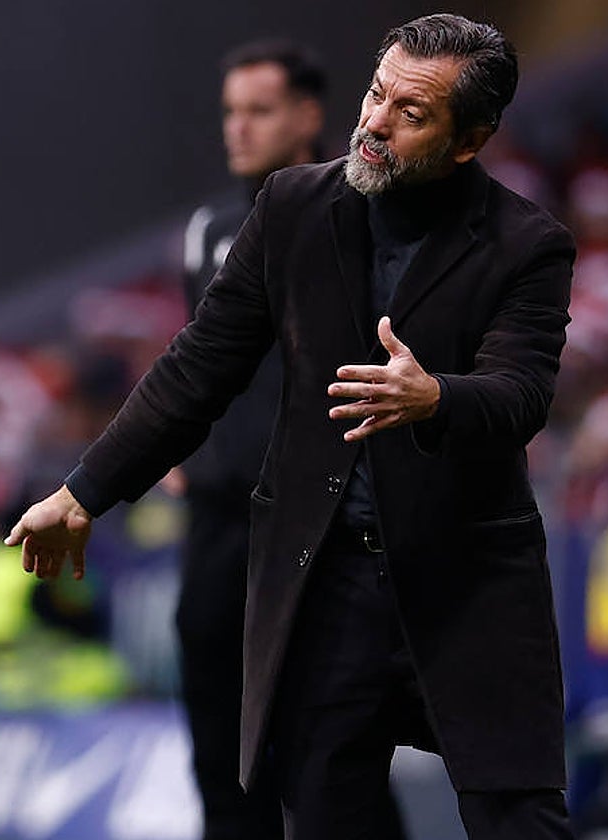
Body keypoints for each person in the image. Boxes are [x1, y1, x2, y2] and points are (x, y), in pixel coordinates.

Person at [7, 14, 577, 839]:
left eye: (411, 112)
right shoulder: (292, 207)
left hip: (468, 584)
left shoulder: (528, 243)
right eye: (376, 93)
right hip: (325, 583)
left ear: (469, 141)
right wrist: (83, 492)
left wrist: (438, 398)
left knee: (520, 822)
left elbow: (523, 394)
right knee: (320, 820)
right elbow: (198, 366)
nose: (375, 121)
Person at [172, 40, 390, 840]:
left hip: (314, 523)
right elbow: (201, 360)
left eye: (258, 111)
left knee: (326, 742)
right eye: (231, 112)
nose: (238, 128)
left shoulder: (362, 218)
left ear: (307, 116)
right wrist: (182, 445)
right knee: (215, 723)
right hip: (219, 519)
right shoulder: (206, 231)